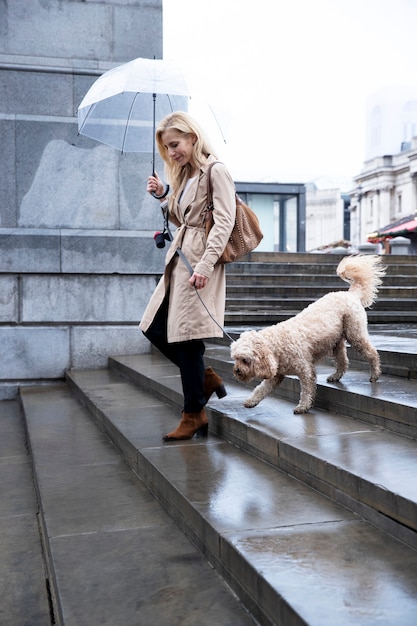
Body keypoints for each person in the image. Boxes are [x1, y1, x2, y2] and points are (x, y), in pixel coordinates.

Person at [139, 111, 236, 441]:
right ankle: (204, 379)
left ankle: (193, 413)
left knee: (187, 336)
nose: (171, 152)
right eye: (166, 148)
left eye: (175, 144)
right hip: (181, 260)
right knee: (156, 328)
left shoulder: (216, 171)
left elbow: (223, 222)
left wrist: (207, 266)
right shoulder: (187, 175)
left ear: (193, 137)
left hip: (199, 264)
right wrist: (164, 194)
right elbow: (183, 218)